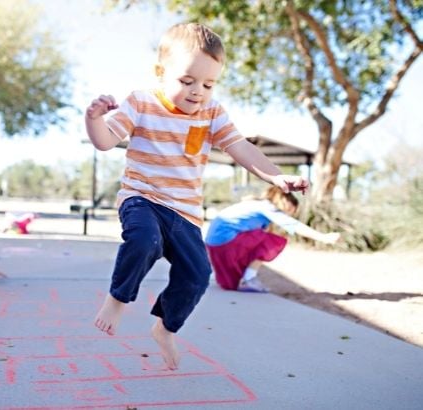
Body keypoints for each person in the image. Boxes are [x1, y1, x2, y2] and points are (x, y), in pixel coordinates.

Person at [85, 22, 309, 370]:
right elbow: (104, 140)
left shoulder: (211, 112)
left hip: (185, 213)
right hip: (142, 198)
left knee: (198, 274)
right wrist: (94, 118)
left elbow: (241, 148)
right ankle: (118, 297)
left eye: (208, 84)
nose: (197, 92)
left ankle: (165, 326)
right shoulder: (141, 102)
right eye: (187, 81)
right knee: (143, 240)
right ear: (161, 73)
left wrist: (278, 177)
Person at [205, 186, 341, 293]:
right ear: (283, 201)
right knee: (273, 241)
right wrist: (323, 237)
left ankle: (244, 277)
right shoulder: (267, 207)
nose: (286, 215)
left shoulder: (255, 204)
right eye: (289, 210)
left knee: (230, 285)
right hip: (226, 242)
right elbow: (293, 225)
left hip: (214, 245)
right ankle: (249, 279)